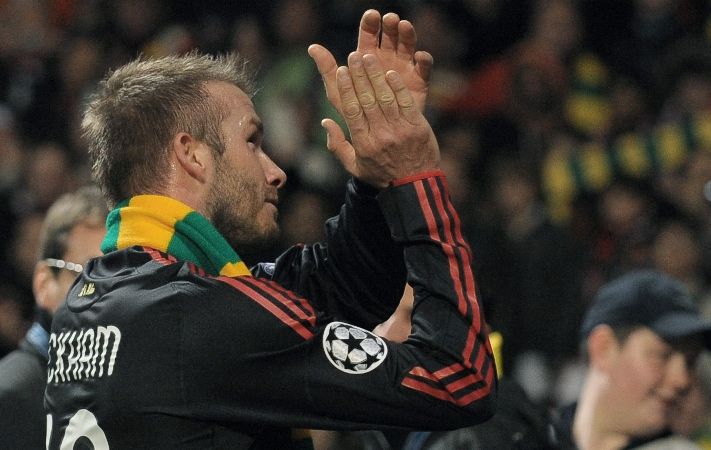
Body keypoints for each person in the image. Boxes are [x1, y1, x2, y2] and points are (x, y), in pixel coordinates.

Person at [44, 9, 496, 450]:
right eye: (252, 141)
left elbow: (338, 287)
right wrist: (416, 178)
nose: (276, 170)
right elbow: (458, 378)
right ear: (193, 154)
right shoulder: (199, 316)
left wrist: (380, 178)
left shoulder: (93, 300)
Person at [553, 270, 711, 450]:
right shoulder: (537, 436)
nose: (682, 380)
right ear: (603, 348)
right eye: (663, 355)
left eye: (690, 362)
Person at [0, 186, 107, 450]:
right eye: (90, 275)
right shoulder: (12, 395)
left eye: (120, 276)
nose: (107, 293)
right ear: (44, 283)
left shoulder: (114, 386)